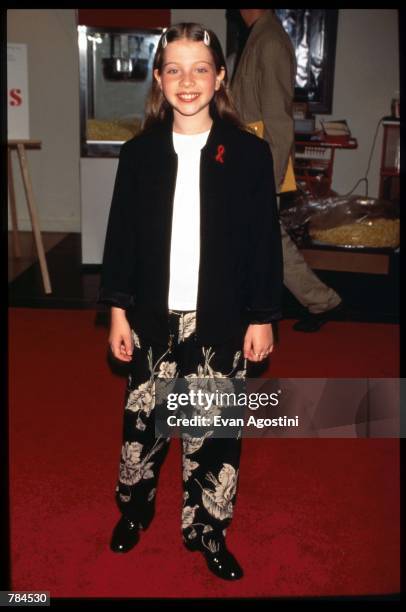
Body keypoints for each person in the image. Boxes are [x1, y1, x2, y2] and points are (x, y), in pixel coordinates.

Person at [98, 23, 283, 581]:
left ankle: (208, 530)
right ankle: (135, 510)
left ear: (220, 77)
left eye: (200, 68)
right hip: (152, 316)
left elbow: (262, 244)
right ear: (157, 78)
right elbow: (121, 239)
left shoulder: (249, 154)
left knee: (215, 433)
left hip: (222, 318)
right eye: (173, 69)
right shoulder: (138, 155)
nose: (187, 80)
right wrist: (117, 312)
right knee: (145, 427)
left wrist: (262, 318)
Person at [230, 9, 345, 332]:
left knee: (267, 240)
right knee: (262, 239)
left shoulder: (270, 40)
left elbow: (279, 117)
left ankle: (318, 302)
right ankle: (318, 302)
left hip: (259, 162)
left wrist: (272, 173)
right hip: (249, 159)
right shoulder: (261, 35)